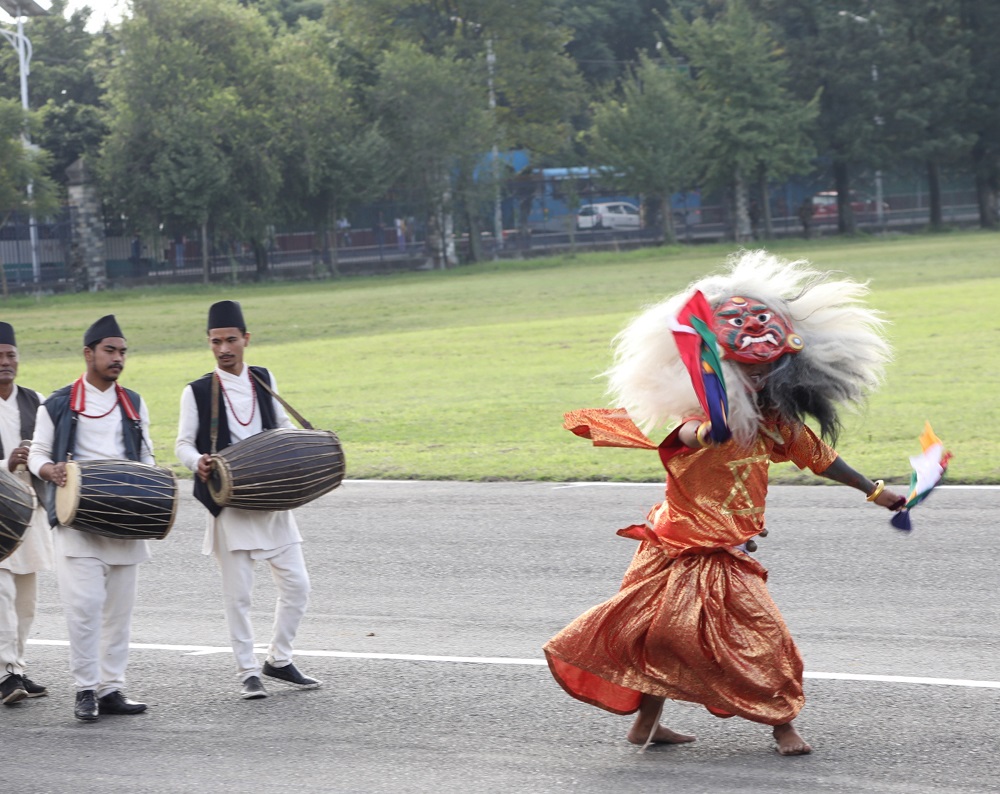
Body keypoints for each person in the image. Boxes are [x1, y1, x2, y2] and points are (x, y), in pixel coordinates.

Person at [543, 250, 906, 756]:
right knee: (747, 636)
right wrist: (714, 421)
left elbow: (819, 457)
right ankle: (782, 726)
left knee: (662, 639)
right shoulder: (696, 421)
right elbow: (691, 436)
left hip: (721, 546)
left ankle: (645, 728)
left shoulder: (773, 422)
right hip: (682, 551)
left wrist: (876, 491)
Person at [175, 300, 319, 700]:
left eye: (230, 340)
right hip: (229, 505)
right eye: (216, 342)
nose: (224, 349)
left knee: (298, 586)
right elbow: (183, 444)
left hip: (271, 502)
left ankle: (279, 659)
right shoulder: (198, 391)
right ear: (209, 343)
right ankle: (248, 671)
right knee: (238, 597)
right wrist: (197, 461)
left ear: (245, 340)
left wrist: (301, 449)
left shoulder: (264, 378)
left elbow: (284, 426)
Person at [28, 315, 154, 722]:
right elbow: (36, 454)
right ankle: (85, 689)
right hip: (76, 522)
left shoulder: (133, 401)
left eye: (122, 352)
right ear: (89, 354)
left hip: (124, 523)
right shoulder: (58, 403)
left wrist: (150, 482)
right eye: (109, 351)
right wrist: (51, 472)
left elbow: (146, 456)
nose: (118, 359)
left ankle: (111, 688)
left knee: (119, 612)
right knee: (84, 608)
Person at [0, 322, 53, 707]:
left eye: (11, 355)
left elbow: (50, 451)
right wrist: (7, 462)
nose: (6, 362)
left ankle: (16, 667)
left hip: (28, 511)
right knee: (1, 595)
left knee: (26, 600)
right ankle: (5, 673)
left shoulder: (36, 401)